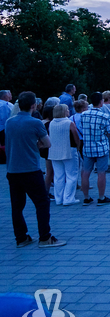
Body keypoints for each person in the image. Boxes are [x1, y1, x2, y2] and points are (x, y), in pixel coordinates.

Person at [5, 91, 66, 248]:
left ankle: (21, 237)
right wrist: (34, 145)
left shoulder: (9, 122)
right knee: (42, 202)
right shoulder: (35, 123)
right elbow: (47, 143)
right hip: (30, 169)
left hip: (12, 170)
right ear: (34, 105)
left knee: (17, 206)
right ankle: (45, 237)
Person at [80, 92, 110, 206]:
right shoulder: (104, 116)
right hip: (101, 148)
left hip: (87, 148)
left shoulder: (83, 115)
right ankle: (101, 197)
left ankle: (86, 197)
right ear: (101, 102)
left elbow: (81, 127)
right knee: (101, 173)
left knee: (85, 173)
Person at [48, 104, 81, 206]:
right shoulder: (69, 123)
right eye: (67, 110)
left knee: (58, 176)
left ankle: (59, 198)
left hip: (54, 152)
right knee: (71, 175)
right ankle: (68, 198)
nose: (68, 111)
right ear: (63, 111)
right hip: (69, 150)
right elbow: (76, 137)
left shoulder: (51, 123)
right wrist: (78, 147)